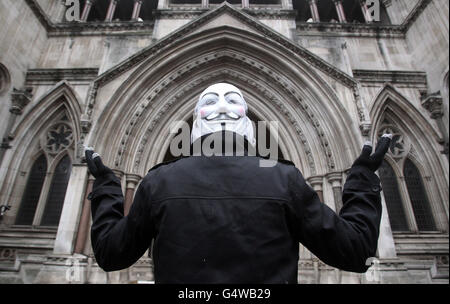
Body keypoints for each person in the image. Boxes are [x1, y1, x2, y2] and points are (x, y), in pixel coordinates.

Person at [85, 83, 392, 284]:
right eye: (211, 101)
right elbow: (356, 251)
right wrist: (362, 178)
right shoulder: (284, 179)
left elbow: (111, 254)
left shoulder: (159, 182)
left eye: (232, 100)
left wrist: (106, 186)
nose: (222, 107)